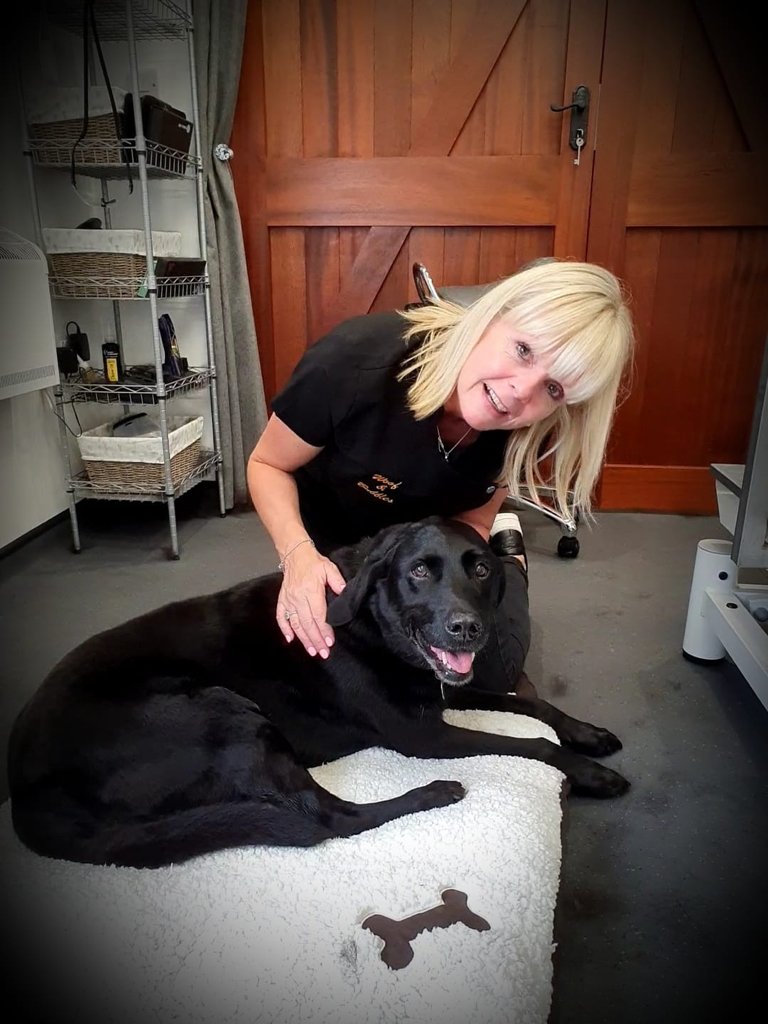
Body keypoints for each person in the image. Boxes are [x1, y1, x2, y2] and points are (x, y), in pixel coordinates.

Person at [247, 258, 634, 694]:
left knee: (485, 675)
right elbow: (267, 465)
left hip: (442, 545)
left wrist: (457, 598)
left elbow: (471, 523)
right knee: (328, 661)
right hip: (338, 538)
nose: (521, 392)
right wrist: (297, 557)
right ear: (491, 315)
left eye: (554, 388)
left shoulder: (536, 425)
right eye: (523, 350)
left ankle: (510, 560)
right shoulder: (351, 363)